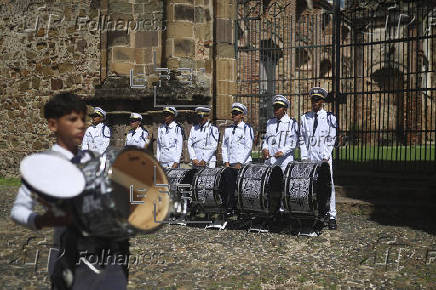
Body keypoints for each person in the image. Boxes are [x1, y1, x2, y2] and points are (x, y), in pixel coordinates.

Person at [10, 93, 129, 289]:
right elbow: (19, 210)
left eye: (83, 118)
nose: (81, 125)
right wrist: (42, 220)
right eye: (73, 119)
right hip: (69, 255)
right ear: (53, 125)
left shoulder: (95, 160)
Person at [299, 87, 337, 230]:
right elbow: (302, 138)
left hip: (324, 158)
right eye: (313, 100)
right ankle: (314, 214)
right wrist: (304, 157)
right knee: (311, 187)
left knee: (329, 186)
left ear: (322, 101)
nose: (315, 102)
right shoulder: (305, 118)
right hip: (310, 158)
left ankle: (332, 216)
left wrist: (326, 156)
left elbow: (331, 138)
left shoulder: (329, 117)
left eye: (318, 100)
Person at [220, 103, 254, 212]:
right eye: (233, 113)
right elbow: (224, 146)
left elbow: (248, 146)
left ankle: (242, 209)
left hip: (242, 163)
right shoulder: (228, 129)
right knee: (228, 186)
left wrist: (241, 162)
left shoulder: (247, 128)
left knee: (241, 188)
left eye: (236, 113)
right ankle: (229, 207)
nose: (234, 115)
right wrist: (226, 161)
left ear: (242, 115)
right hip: (230, 164)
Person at [262, 95, 298, 172]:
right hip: (270, 160)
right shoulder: (270, 122)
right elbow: (267, 139)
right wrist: (265, 148)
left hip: (284, 161)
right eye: (274, 107)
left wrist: (283, 152)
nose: (276, 110)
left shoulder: (291, 122)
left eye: (278, 107)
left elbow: (293, 142)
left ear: (285, 108)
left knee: (283, 182)